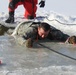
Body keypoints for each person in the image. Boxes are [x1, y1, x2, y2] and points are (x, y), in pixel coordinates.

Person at [10, 21, 76, 48]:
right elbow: (20, 37)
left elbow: (63, 36)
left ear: (49, 31)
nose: (43, 36)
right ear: (38, 29)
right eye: (41, 34)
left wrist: (71, 39)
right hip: (21, 26)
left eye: (45, 34)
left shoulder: (52, 31)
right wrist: (25, 43)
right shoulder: (32, 30)